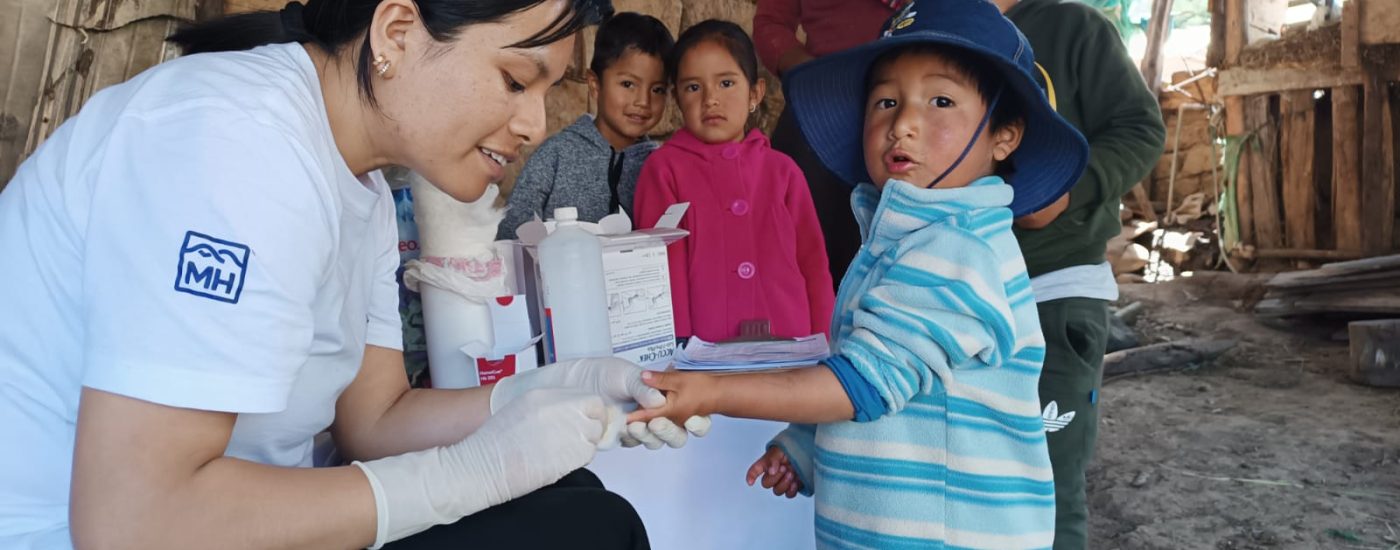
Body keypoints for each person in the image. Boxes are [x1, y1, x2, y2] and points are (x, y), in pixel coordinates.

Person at [0, 0, 706, 548]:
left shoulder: (360, 189)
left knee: (574, 498)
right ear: (396, 31)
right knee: (586, 533)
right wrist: (465, 476)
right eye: (516, 81)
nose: (532, 123)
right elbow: (133, 523)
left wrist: (556, 391)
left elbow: (374, 419)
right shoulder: (232, 141)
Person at [629, 0, 1091, 546]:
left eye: (940, 100)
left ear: (1004, 136)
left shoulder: (961, 252)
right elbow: (869, 368)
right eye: (887, 101)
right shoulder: (897, 243)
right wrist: (804, 445)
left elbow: (863, 385)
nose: (903, 125)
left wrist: (710, 392)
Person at [996, 0, 1167, 547]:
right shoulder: (930, 25)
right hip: (948, 291)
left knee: (1048, 478)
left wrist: (1068, 189)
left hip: (1054, 287)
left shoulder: (1076, 29)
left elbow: (1140, 127)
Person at [632, 20, 834, 344]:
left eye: (726, 83)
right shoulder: (664, 170)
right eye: (693, 87)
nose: (710, 99)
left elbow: (813, 264)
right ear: (677, 99)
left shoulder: (783, 172)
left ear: (755, 93)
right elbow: (662, 266)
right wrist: (677, 346)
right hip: (703, 356)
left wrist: (824, 340)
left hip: (791, 349)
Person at [754, 0, 901, 288]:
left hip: (906, 110)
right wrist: (813, 72)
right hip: (819, 110)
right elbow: (771, 22)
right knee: (803, 255)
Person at [497, 12, 673, 240]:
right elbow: (512, 234)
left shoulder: (661, 167)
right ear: (595, 84)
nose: (643, 101)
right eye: (628, 84)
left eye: (657, 89)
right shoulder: (557, 155)